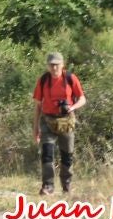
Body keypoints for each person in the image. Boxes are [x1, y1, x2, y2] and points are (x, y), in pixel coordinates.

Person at [32, 51, 86, 195]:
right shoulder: (43, 80)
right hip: (48, 120)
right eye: (51, 65)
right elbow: (37, 105)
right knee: (47, 154)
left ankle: (66, 185)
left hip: (66, 121)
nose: (54, 68)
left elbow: (82, 98)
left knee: (67, 154)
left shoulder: (70, 78)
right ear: (48, 66)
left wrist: (72, 107)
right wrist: (36, 128)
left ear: (62, 65)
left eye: (57, 65)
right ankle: (48, 185)